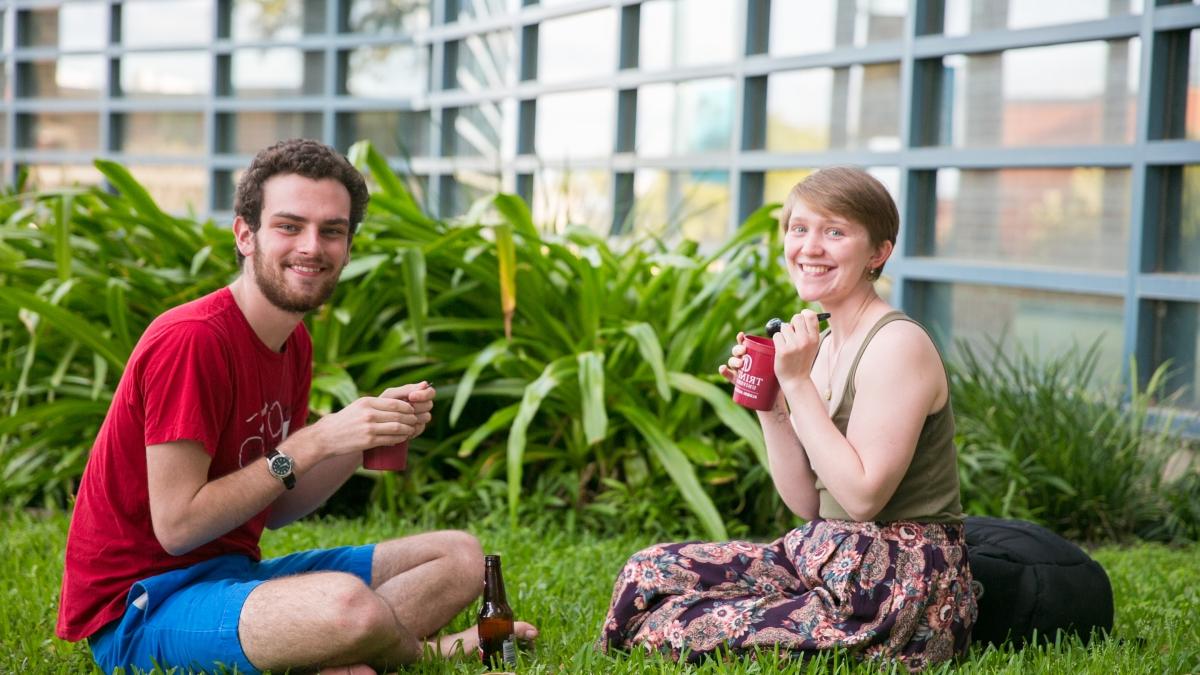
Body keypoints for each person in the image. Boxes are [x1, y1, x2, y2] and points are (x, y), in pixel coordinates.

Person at [56, 139, 537, 674]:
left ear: (349, 246)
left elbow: (276, 505)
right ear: (245, 234)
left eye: (332, 231)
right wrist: (315, 439)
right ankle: (419, 650)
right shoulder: (192, 340)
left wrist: (360, 440)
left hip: (234, 577)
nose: (313, 246)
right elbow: (179, 526)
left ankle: (334, 651)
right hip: (144, 608)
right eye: (289, 226)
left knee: (460, 557)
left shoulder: (293, 341)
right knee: (344, 606)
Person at [599, 167, 975, 670]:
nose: (810, 247)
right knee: (647, 572)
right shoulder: (820, 344)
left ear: (878, 253)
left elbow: (863, 498)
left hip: (890, 587)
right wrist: (773, 406)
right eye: (799, 229)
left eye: (834, 232)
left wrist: (797, 384)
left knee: (676, 623)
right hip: (821, 555)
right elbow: (808, 503)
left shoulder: (896, 345)